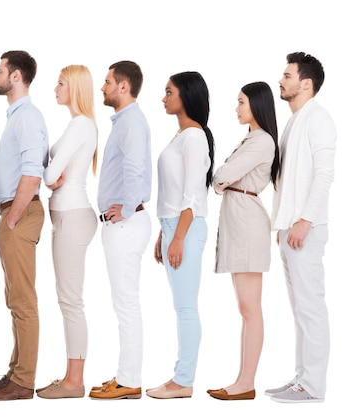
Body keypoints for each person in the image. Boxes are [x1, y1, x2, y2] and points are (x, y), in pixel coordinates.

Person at [0, 50, 48, 401]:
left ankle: (23, 381)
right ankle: (14, 373)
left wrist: (13, 217)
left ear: (16, 76)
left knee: (23, 301)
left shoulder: (28, 117)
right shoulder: (17, 117)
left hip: (19, 212)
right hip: (13, 212)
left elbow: (33, 173)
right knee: (14, 298)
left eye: (0, 70)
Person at [265, 52, 335, 403]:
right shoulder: (295, 121)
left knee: (310, 307)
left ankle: (313, 385)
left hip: (306, 229)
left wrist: (304, 220)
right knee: (299, 308)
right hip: (291, 229)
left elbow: (324, 174)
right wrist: (283, 222)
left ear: (305, 83)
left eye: (287, 75)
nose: (281, 80)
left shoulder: (317, 118)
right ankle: (301, 378)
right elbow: (288, 180)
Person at [207, 82, 279, 401]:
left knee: (251, 309)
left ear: (257, 105)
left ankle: (245, 383)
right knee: (245, 308)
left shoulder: (262, 140)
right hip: (240, 221)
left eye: (241, 102)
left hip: (248, 225)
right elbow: (224, 178)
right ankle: (241, 380)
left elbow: (223, 174)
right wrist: (223, 179)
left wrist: (221, 179)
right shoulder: (252, 138)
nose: (236, 108)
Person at [148, 71, 214, 399]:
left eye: (169, 92)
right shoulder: (181, 136)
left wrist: (177, 237)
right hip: (175, 227)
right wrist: (165, 234)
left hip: (186, 228)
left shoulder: (194, 137)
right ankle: (180, 378)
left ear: (186, 96)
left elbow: (191, 195)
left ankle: (183, 380)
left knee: (186, 307)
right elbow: (173, 195)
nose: (164, 97)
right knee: (181, 306)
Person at [88, 60, 151, 400]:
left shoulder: (131, 123)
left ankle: (129, 381)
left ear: (123, 86)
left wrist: (125, 208)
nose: (103, 87)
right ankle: (125, 376)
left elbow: (135, 167)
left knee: (126, 304)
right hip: (123, 224)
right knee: (123, 303)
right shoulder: (126, 122)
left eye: (108, 81)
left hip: (126, 225)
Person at [35, 65, 98, 399]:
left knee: (70, 300)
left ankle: (74, 381)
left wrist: (49, 175)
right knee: (67, 298)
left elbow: (49, 176)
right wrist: (51, 176)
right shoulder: (78, 125)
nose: (55, 88)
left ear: (74, 87)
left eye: (61, 83)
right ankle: (70, 376)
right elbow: (52, 175)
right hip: (67, 216)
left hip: (72, 216)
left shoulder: (80, 124)